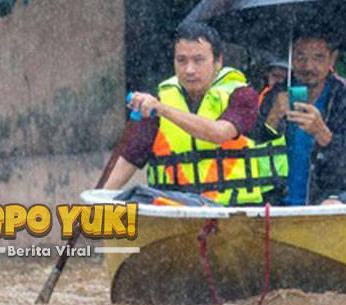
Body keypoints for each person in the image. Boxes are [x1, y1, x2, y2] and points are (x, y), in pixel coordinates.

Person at [103, 21, 286, 205]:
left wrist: (162, 110)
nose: (189, 70)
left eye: (199, 60)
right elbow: (130, 160)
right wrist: (100, 200)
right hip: (175, 213)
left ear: (218, 61)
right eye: (181, 60)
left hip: (233, 213)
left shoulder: (242, 95)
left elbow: (218, 133)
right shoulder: (161, 99)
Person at [254, 35, 346, 205]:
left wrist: (324, 135)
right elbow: (251, 148)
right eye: (300, 57)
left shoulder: (345, 99)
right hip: (275, 204)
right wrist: (273, 117)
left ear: (332, 59)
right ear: (291, 57)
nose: (308, 67)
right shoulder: (275, 95)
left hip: (326, 204)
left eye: (318, 57)